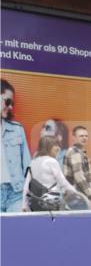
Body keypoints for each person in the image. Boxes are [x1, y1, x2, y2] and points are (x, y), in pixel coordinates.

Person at [22, 135, 89, 211]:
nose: (58, 148)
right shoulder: (51, 161)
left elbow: (26, 187)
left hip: (35, 205)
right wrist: (77, 194)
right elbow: (63, 183)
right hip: (51, 203)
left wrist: (24, 206)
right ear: (48, 147)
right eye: (56, 145)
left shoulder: (33, 162)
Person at [1, 78, 31, 213]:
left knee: (20, 231)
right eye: (7, 101)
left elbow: (28, 166)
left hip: (16, 193)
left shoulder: (17, 129)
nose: (11, 107)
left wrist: (27, 195)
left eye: (12, 103)